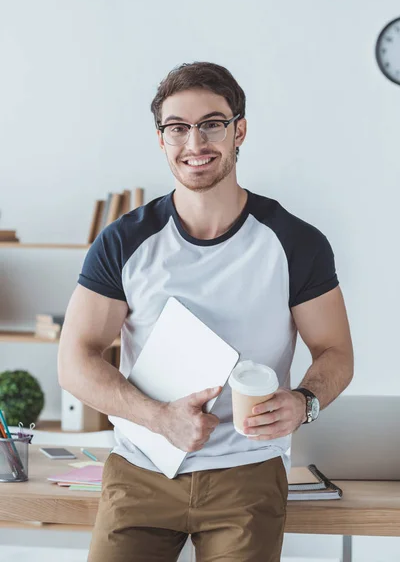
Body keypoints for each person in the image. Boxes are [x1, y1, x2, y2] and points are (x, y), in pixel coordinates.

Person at [58, 61, 354, 562]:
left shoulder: (295, 243)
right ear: (161, 139)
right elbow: (75, 361)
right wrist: (158, 418)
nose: (194, 143)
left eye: (211, 124)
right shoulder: (125, 241)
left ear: (239, 129)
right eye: (177, 128)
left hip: (248, 476)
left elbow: (335, 351)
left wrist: (304, 401)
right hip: (142, 468)